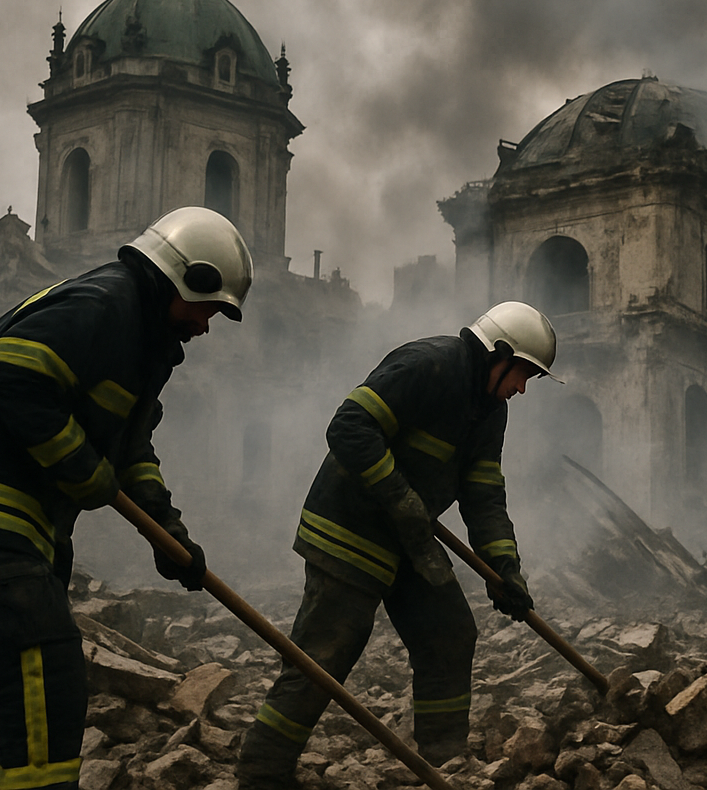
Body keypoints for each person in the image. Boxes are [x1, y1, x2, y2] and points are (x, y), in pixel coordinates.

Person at [0, 206, 252, 790]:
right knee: (46, 668)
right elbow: (11, 377)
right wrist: (79, 467)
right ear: (184, 277)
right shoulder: (104, 305)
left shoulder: (145, 340)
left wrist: (170, 536)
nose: (206, 326)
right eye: (209, 308)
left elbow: (131, 450)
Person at [237, 301, 560, 785]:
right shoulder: (426, 365)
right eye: (521, 375)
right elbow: (349, 426)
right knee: (326, 652)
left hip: (411, 540)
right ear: (497, 353)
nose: (520, 389)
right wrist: (400, 497)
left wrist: (504, 567)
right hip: (350, 530)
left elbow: (484, 494)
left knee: (449, 634)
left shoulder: (490, 411)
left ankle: (444, 761)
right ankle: (261, 773)